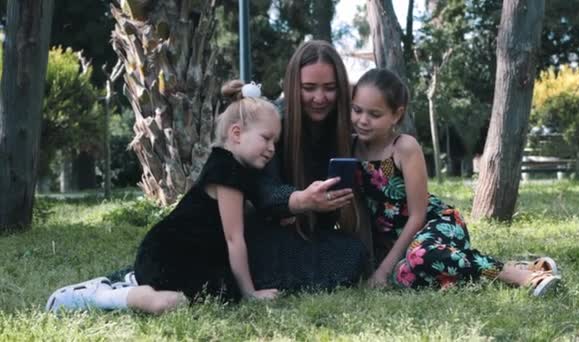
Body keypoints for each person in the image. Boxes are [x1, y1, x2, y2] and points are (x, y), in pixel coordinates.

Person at [45, 40, 370, 313]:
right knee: (225, 282)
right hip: (255, 234)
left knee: (351, 255)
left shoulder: (350, 122)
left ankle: (154, 282)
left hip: (292, 236)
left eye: (329, 88)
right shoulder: (273, 122)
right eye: (309, 88)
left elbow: (383, 164)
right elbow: (264, 193)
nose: (319, 98)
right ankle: (128, 284)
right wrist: (300, 200)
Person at [47, 82, 282, 313]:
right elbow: (234, 239)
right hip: (168, 256)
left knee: (219, 296)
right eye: (266, 138)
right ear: (237, 133)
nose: (272, 148)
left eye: (275, 142)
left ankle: (133, 285)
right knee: (179, 302)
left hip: (188, 256)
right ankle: (106, 294)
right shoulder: (228, 173)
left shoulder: (231, 165)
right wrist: (250, 293)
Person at [350, 68, 561, 296]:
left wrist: (381, 271)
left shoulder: (403, 148)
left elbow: (417, 216)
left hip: (434, 225)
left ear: (396, 114)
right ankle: (518, 265)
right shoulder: (351, 148)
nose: (363, 120)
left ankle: (519, 276)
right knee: (403, 276)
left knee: (421, 258)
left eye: (374, 114)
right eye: (357, 110)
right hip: (397, 244)